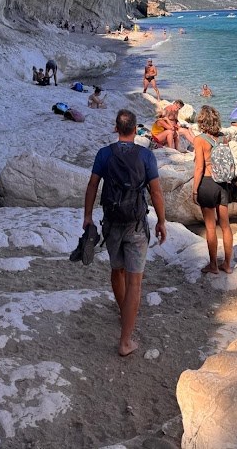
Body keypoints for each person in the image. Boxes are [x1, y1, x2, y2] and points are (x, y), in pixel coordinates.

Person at [83, 109, 166, 356]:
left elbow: (92, 186)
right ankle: (126, 340)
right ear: (135, 128)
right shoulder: (146, 155)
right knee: (135, 281)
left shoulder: (104, 154)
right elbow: (156, 192)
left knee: (116, 271)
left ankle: (124, 313)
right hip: (137, 224)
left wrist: (87, 217)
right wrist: (162, 221)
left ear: (116, 128)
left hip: (112, 223)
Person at [192, 105, 233, 275]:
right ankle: (228, 265)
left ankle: (213, 265)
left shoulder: (199, 139)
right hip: (224, 183)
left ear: (202, 120)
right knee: (225, 226)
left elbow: (199, 168)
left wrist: (195, 190)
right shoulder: (224, 138)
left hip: (208, 183)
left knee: (210, 227)